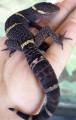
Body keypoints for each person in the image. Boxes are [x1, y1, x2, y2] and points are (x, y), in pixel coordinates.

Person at [0, 0, 76, 119]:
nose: (53, 12)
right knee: (45, 30)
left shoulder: (25, 16)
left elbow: (11, 39)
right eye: (49, 12)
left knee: (10, 42)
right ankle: (57, 41)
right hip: (29, 42)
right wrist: (58, 39)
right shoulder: (27, 16)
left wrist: (12, 47)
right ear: (40, 12)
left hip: (21, 43)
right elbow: (34, 24)